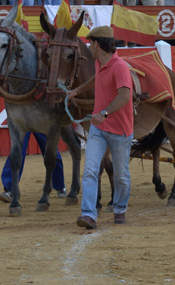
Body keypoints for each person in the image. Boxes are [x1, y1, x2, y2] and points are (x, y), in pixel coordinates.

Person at [68, 25, 133, 229]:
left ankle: (120, 208)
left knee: (121, 175)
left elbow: (124, 95)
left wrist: (103, 113)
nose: (88, 45)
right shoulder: (99, 63)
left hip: (120, 130)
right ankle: (89, 214)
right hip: (99, 129)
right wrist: (78, 90)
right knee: (90, 171)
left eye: (90, 42)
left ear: (97, 44)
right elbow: (98, 79)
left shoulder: (120, 66)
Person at [0, 132, 66, 203]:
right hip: (24, 121)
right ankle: (10, 190)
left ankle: (60, 186)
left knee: (51, 151)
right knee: (17, 151)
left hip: (41, 121)